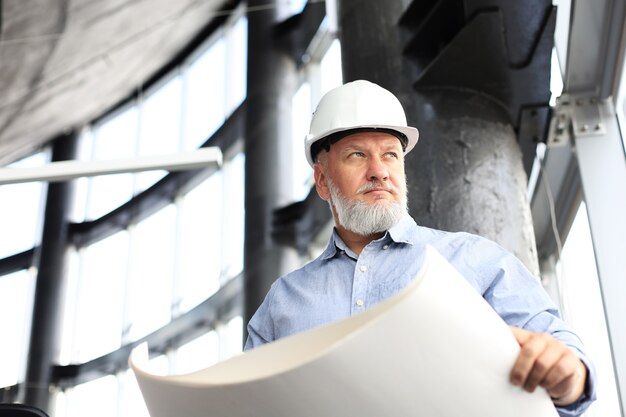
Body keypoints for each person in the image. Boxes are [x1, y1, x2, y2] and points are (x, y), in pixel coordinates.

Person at [244, 80, 596, 416]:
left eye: (391, 155)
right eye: (356, 155)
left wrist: (570, 375)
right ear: (322, 181)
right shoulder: (284, 302)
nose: (379, 171)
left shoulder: (476, 260)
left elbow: (560, 352)